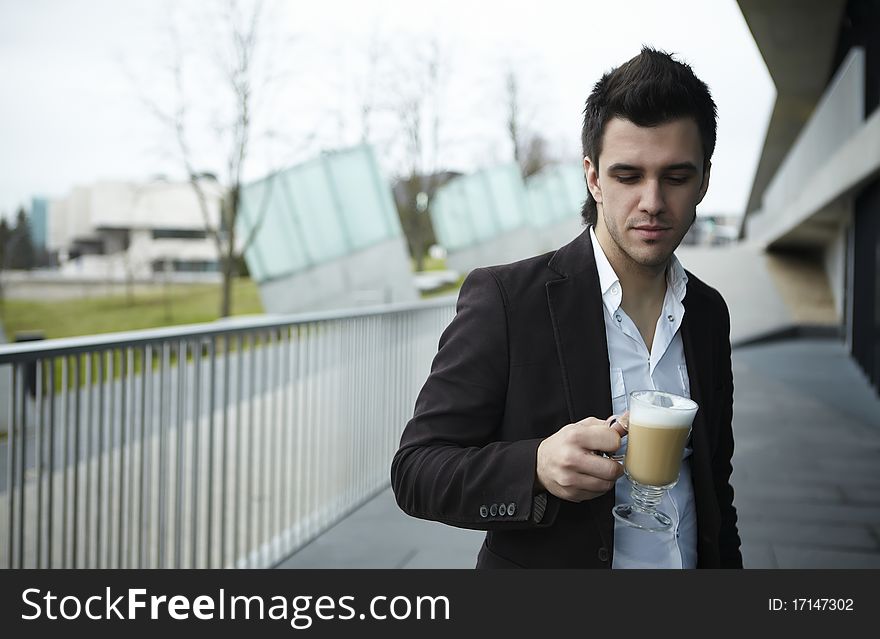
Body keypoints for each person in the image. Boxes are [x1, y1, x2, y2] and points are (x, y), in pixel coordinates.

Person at [391, 47, 742, 569]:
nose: (651, 201)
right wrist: (533, 466)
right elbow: (416, 471)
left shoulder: (709, 313)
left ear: (704, 179)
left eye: (675, 177)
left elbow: (716, 490)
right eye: (627, 176)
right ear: (593, 177)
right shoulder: (507, 300)